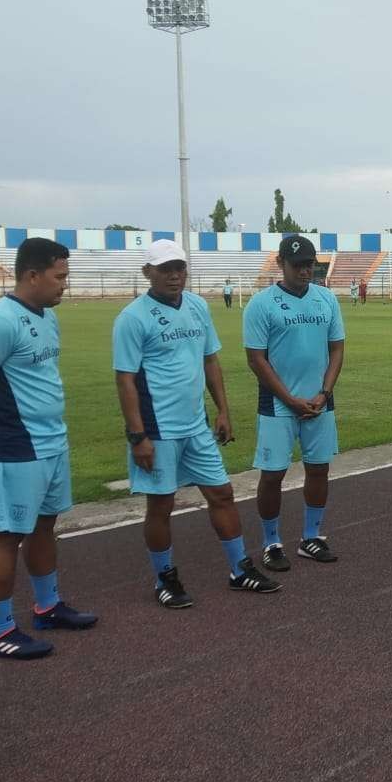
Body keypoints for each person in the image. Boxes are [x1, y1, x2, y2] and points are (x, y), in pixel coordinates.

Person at [113, 240, 280, 607]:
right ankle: (165, 578)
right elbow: (125, 379)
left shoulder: (198, 306)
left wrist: (222, 410)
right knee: (161, 505)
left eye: (180, 268)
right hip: (157, 431)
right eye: (165, 269)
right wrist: (137, 435)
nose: (175, 275)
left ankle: (239, 569)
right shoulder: (132, 318)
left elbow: (210, 361)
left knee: (222, 493)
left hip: (196, 425)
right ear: (147, 273)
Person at [0, 237, 97, 660]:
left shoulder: (47, 317)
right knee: (6, 534)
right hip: (15, 445)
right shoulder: (0, 321)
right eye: (60, 277)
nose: (65, 285)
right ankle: (0, 632)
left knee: (43, 526)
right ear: (32, 275)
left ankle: (47, 606)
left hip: (52, 440)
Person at [244, 235, 345, 570]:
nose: (305, 271)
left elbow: (336, 349)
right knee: (273, 475)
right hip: (277, 406)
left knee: (318, 469)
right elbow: (256, 359)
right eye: (298, 265)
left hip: (319, 403)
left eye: (309, 264)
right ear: (281, 264)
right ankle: (272, 541)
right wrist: (289, 399)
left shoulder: (326, 299)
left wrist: (324, 394)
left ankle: (311, 537)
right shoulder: (261, 304)